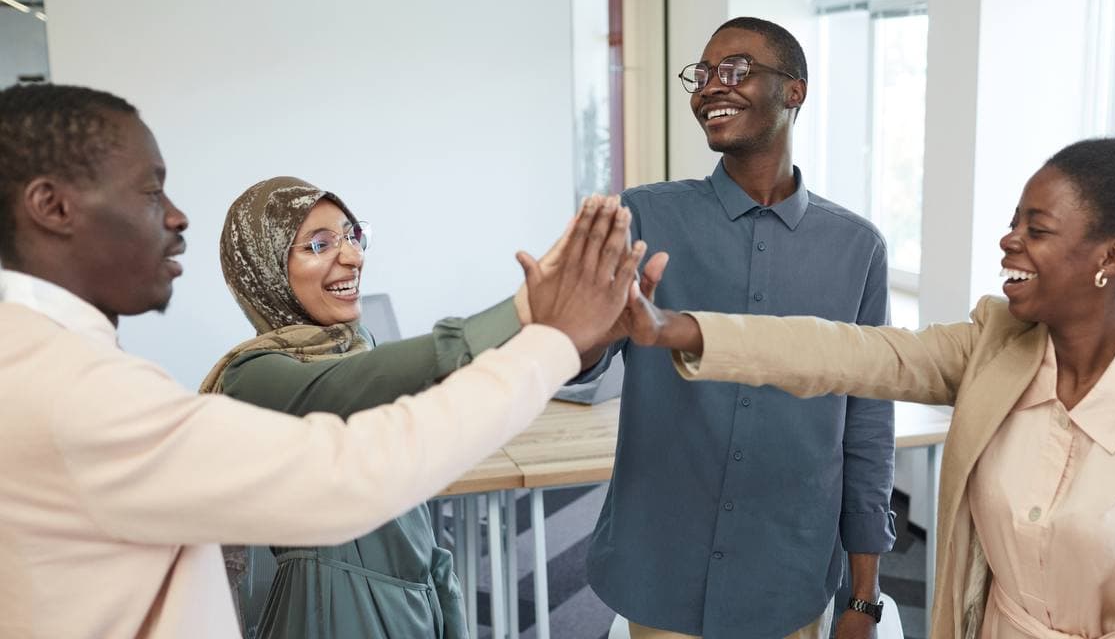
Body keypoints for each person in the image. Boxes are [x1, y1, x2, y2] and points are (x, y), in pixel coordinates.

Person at [0, 82, 644, 639]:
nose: (176, 216)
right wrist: (542, 325)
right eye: (149, 192)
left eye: (350, 237)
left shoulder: (45, 360)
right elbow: (356, 472)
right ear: (52, 207)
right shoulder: (90, 391)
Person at [628, 138, 1115, 638]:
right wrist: (675, 329)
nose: (1008, 240)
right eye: (1014, 220)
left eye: (1037, 229)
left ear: (1112, 258)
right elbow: (845, 352)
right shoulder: (994, 341)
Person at [576, 17, 896, 639]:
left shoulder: (858, 249)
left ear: (794, 91)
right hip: (663, 565)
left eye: (735, 70)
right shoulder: (644, 215)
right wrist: (586, 327)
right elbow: (584, 365)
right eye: (702, 74)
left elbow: (867, 425)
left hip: (790, 572)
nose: (709, 88)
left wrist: (863, 597)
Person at [199, 175, 585, 639]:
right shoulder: (253, 376)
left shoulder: (356, 346)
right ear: (264, 271)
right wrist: (523, 312)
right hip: (334, 613)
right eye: (319, 245)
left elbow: (413, 506)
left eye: (350, 235)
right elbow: (349, 389)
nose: (353, 256)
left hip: (411, 602)